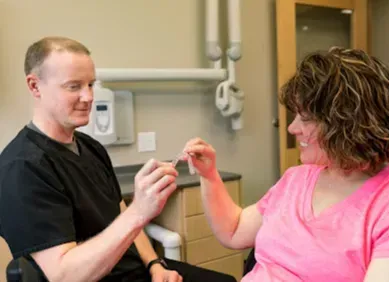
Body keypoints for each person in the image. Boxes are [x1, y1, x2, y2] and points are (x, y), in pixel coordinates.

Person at [0, 36, 236, 282]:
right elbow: (63, 275)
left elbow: (120, 212)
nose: (89, 96)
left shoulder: (91, 148)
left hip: (137, 271)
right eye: (74, 86)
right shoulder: (22, 168)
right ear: (35, 86)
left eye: (91, 84)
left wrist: (155, 265)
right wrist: (139, 211)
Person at [183, 47, 389, 281]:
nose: (292, 129)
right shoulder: (296, 180)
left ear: (347, 123)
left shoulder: (385, 204)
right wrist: (209, 175)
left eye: (306, 118)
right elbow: (235, 230)